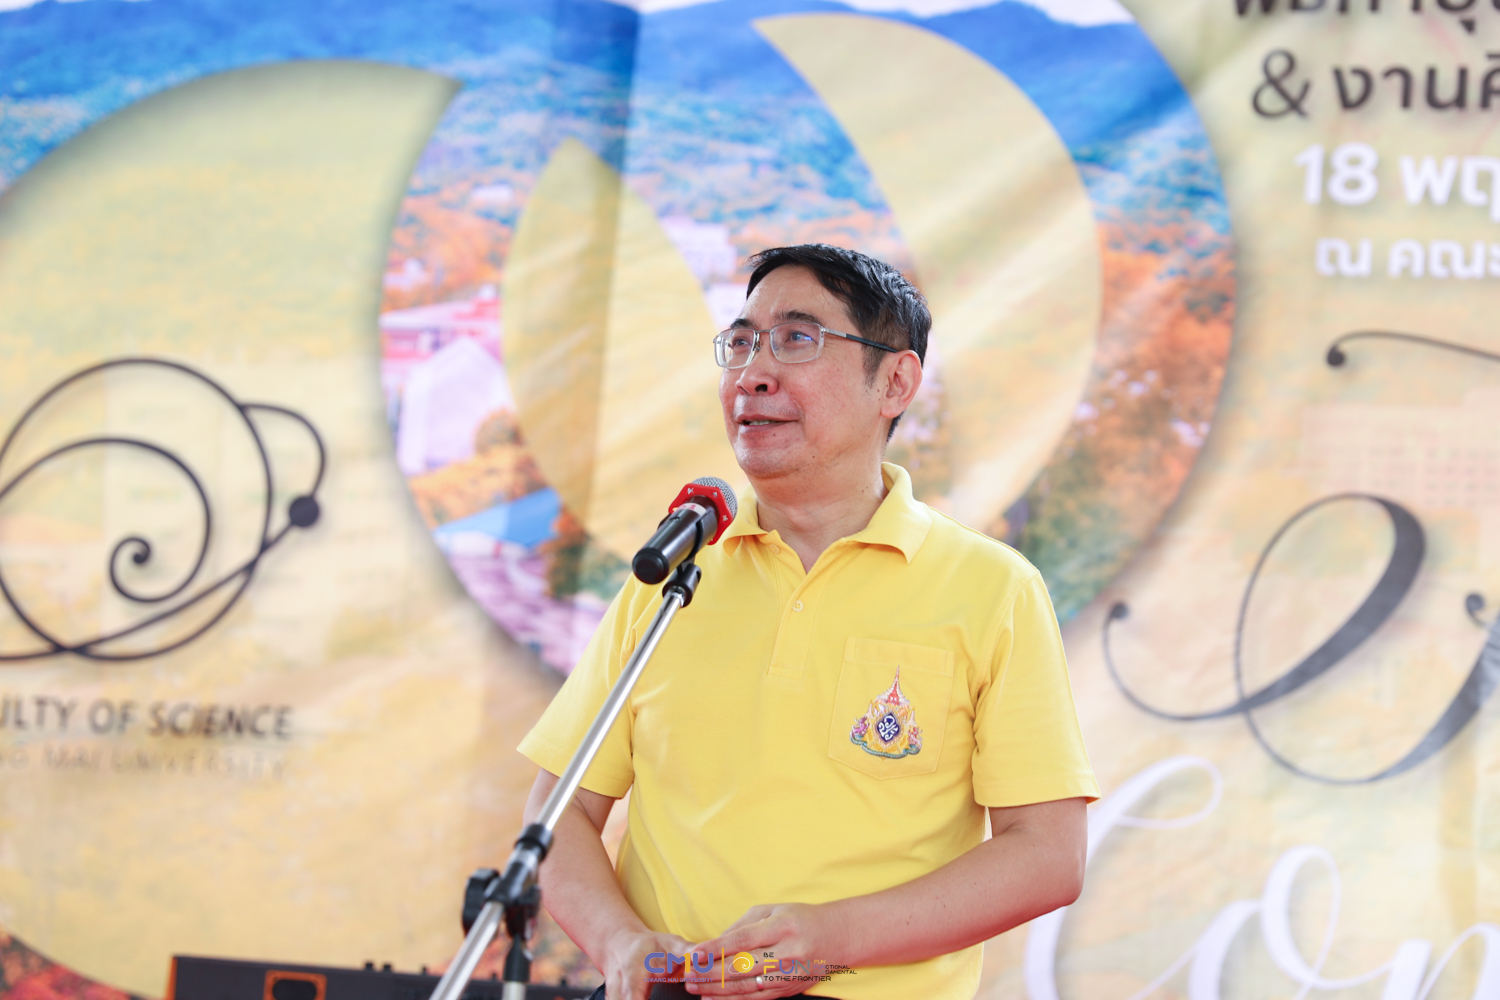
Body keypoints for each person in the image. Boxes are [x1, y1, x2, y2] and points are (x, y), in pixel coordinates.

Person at [518, 244, 1098, 1000]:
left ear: (895, 382)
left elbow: (1048, 856)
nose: (754, 373)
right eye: (741, 343)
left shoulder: (991, 588)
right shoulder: (677, 573)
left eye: (797, 338)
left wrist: (829, 941)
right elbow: (558, 811)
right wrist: (620, 944)